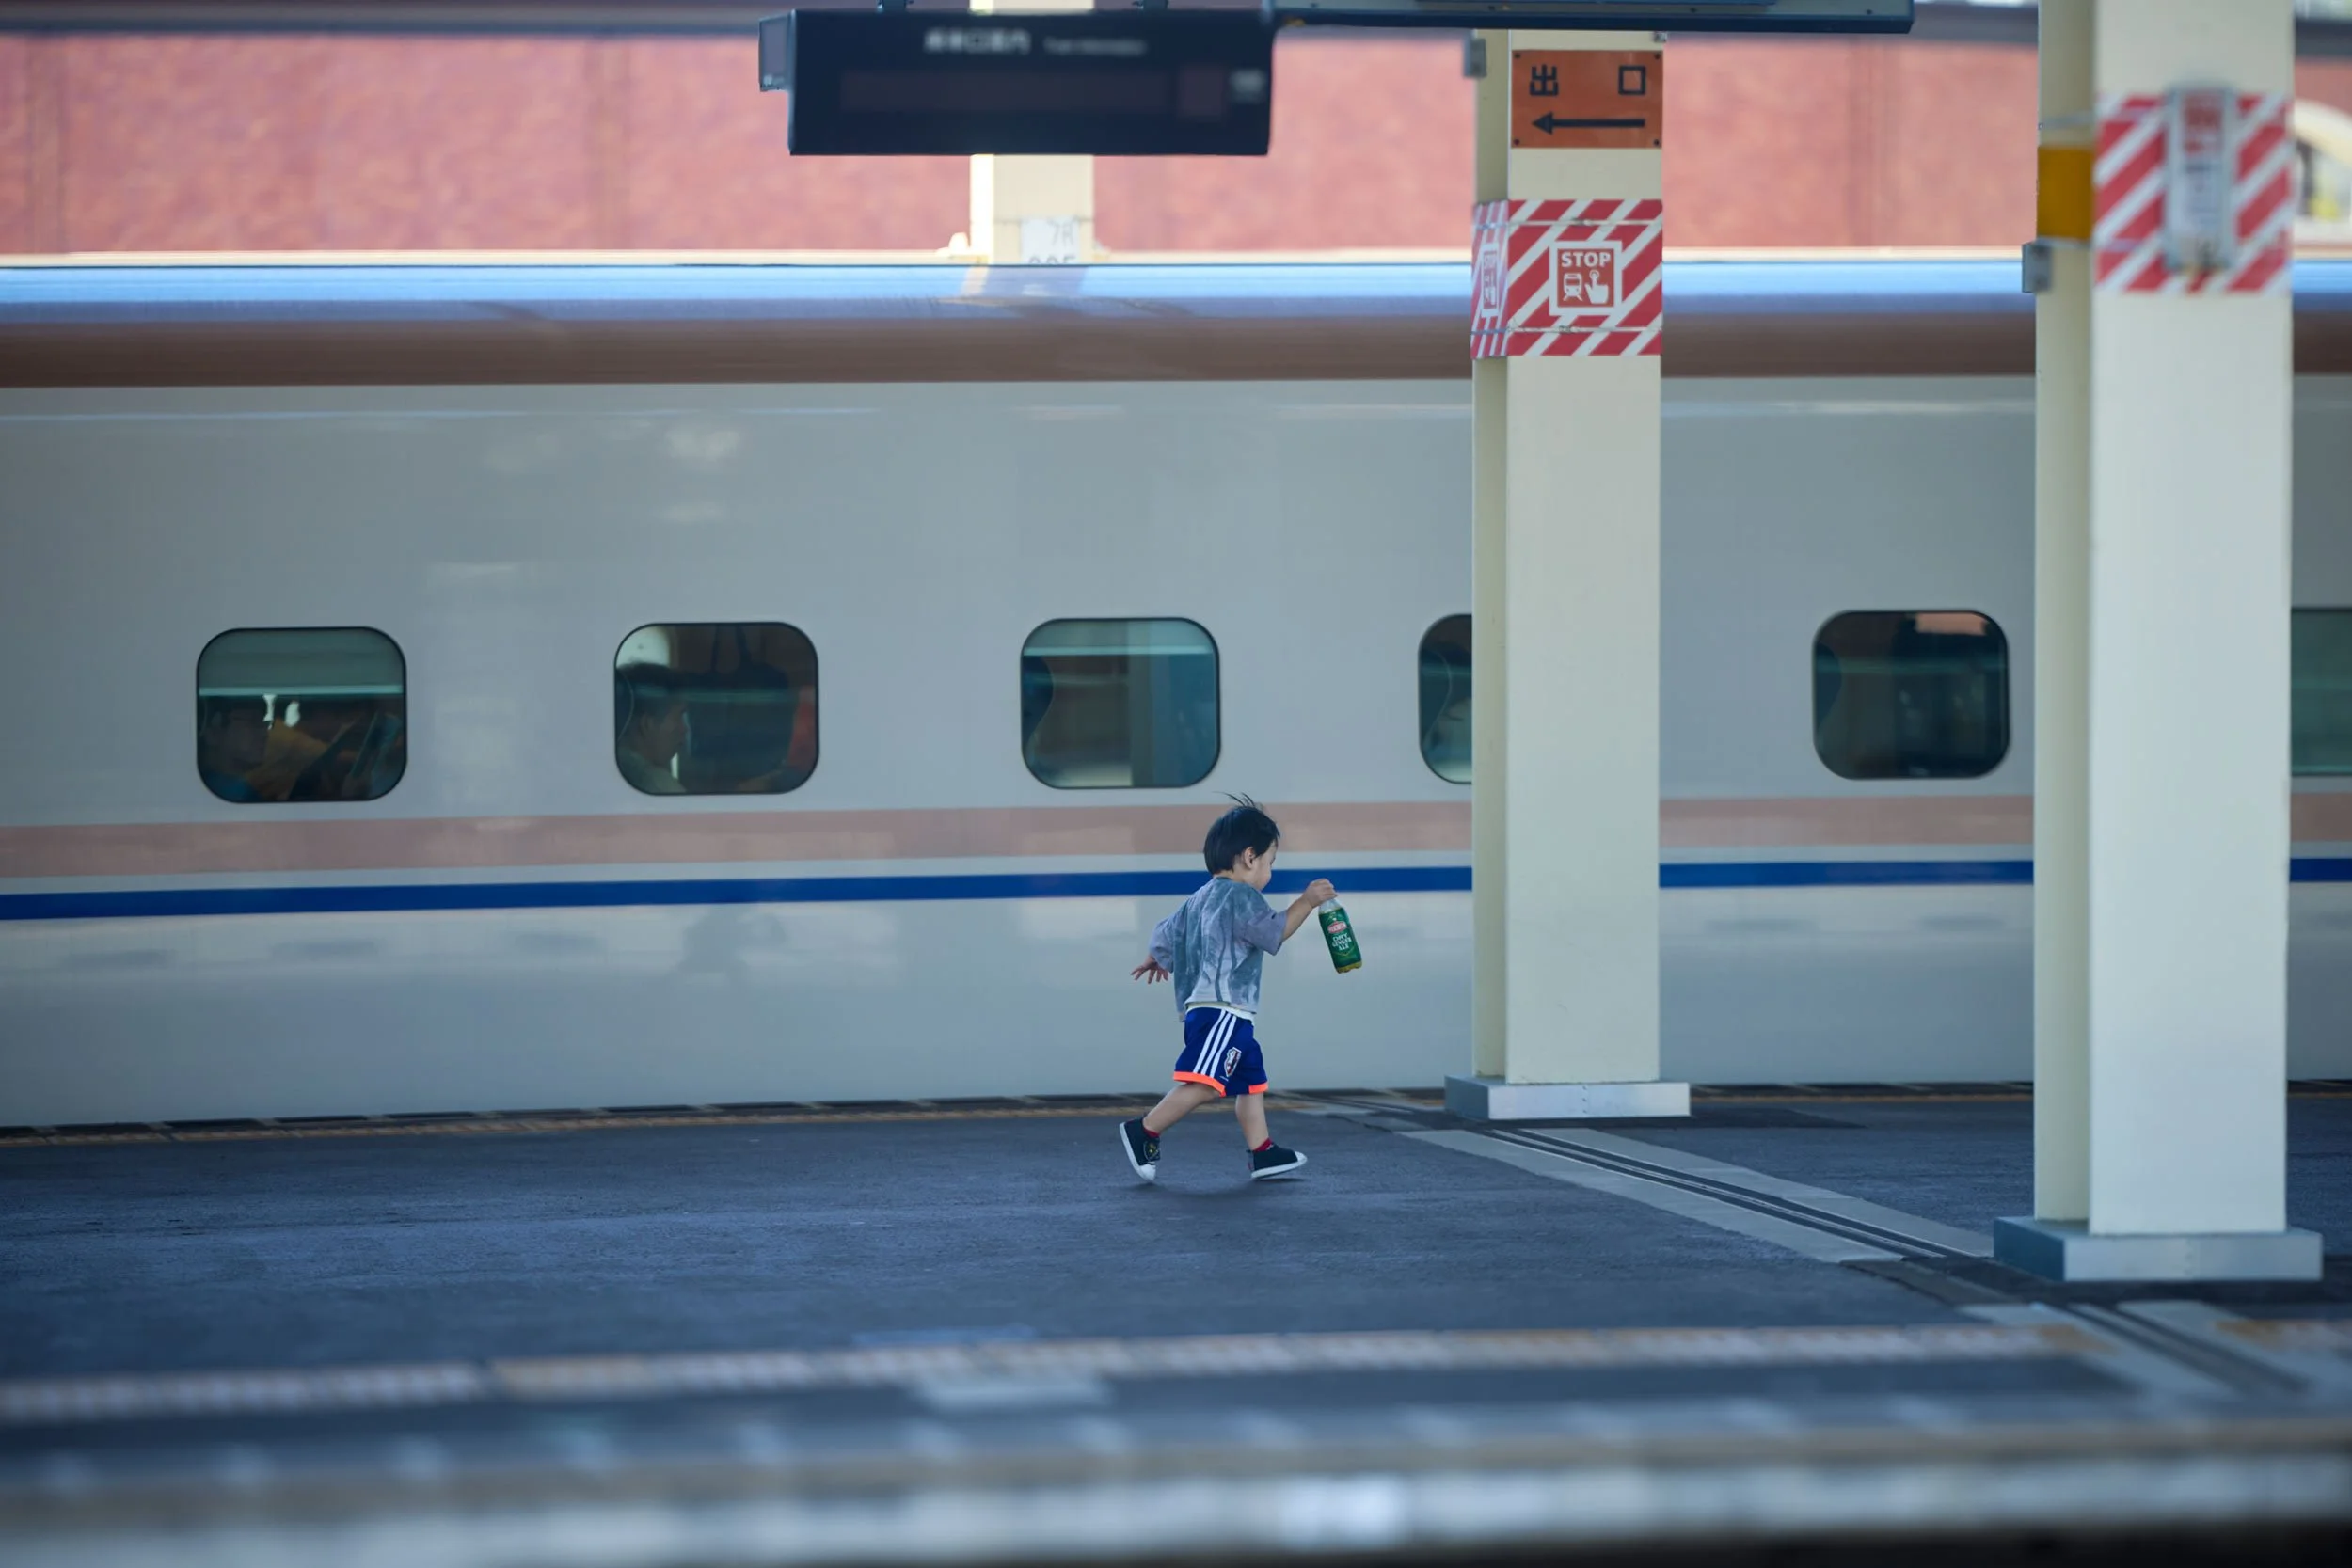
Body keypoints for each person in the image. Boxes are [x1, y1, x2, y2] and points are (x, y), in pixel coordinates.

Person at [1119, 798, 1336, 1184]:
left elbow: (1165, 936)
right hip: (1223, 1009)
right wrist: (1306, 901)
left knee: (1250, 1080)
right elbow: (1273, 933)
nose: (1269, 872)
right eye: (1270, 862)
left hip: (1213, 1010)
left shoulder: (1198, 898)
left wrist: (1157, 959)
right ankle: (1145, 1130)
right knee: (1204, 1083)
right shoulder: (1242, 896)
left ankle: (1263, 1152)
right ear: (1250, 858)